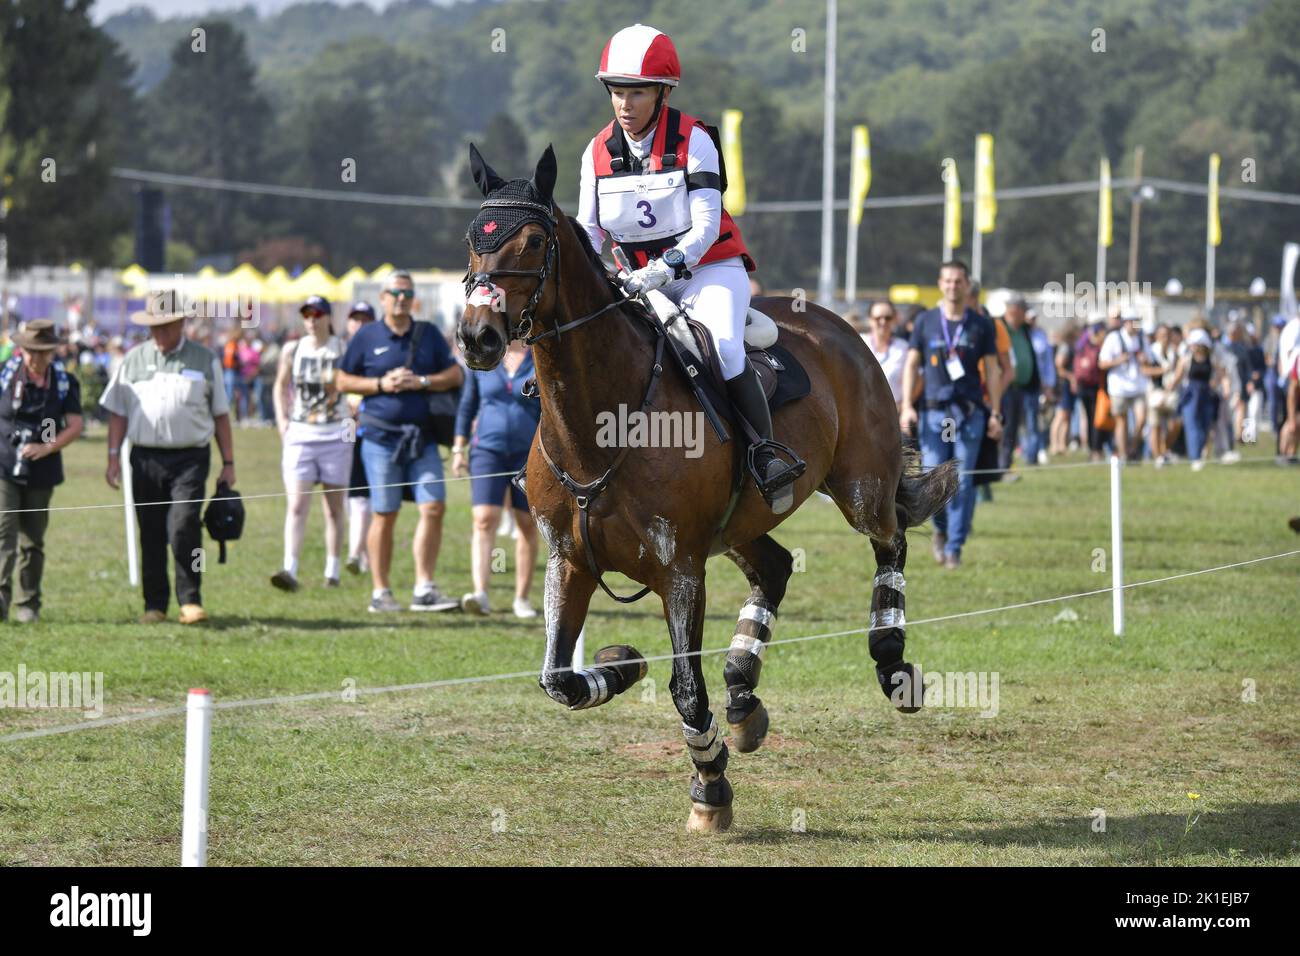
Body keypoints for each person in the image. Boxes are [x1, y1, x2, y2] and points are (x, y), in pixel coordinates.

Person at [576, 23, 802, 514]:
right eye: (617, 92)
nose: (624, 104)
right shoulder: (595, 153)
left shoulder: (694, 140)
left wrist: (659, 271)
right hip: (635, 280)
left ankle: (766, 455)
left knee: (722, 349)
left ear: (661, 92)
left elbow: (702, 231)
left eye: (636, 93)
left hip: (708, 271)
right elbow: (590, 233)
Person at [100, 298, 236, 625]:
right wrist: (112, 455)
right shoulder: (133, 360)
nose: (158, 332)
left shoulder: (205, 360)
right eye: (154, 326)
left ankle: (191, 599)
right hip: (145, 457)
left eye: (165, 325)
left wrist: (228, 462)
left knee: (184, 524)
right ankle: (154, 604)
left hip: (190, 457)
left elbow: (220, 414)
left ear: (181, 325)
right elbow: (118, 412)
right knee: (150, 531)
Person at [334, 271, 464, 613]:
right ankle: (381, 592)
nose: (401, 298)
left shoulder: (429, 334)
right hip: (379, 438)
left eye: (407, 293)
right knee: (384, 513)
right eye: (395, 293)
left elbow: (455, 375)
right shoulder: (366, 336)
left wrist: (420, 381)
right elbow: (342, 379)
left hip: (422, 439)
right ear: (383, 298)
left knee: (434, 506)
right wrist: (381, 385)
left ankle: (425, 589)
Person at [899, 261, 1004, 570]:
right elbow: (911, 364)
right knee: (934, 479)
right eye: (947, 281)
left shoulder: (981, 325)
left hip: (969, 413)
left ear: (967, 285)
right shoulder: (926, 322)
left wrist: (995, 411)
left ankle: (955, 548)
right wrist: (907, 404)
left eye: (958, 281)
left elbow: (994, 370)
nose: (953, 286)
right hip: (934, 413)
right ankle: (941, 532)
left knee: (963, 481)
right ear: (940, 283)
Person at [0, 321, 85, 623]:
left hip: (43, 468)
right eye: (31, 351)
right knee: (4, 533)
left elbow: (75, 425)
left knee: (32, 539)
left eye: (42, 352)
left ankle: (29, 603)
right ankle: (0, 599)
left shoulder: (63, 382)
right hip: (5, 464)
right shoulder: (6, 375)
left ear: (52, 351)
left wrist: (47, 447)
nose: (35, 358)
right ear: (22, 348)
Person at [451, 338, 541, 618]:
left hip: (529, 455)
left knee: (526, 523)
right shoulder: (483, 359)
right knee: (484, 519)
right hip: (486, 450)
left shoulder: (538, 357)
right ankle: (480, 593)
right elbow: (467, 406)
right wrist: (458, 448)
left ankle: (522, 598)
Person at [270, 295, 351, 592]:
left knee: (333, 508)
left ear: (328, 317)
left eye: (317, 314)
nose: (311, 320)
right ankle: (289, 567)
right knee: (296, 505)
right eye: (306, 314)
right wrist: (281, 420)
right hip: (301, 433)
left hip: (335, 433)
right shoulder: (292, 349)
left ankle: (333, 568)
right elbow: (280, 385)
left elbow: (355, 385)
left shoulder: (342, 348)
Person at [1098, 309, 1159, 461]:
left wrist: (1144, 359)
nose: (1136, 325)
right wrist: (1119, 360)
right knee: (1121, 421)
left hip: (1138, 386)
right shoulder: (1113, 338)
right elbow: (1102, 363)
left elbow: (1149, 361)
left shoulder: (1141, 338)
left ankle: (1133, 446)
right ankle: (1124, 454)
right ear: (1126, 323)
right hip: (1119, 387)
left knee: (1141, 418)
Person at [343, 302, 376, 575]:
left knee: (362, 490)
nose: (360, 324)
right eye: (355, 319)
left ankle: (357, 551)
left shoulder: (375, 352)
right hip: (340, 429)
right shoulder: (339, 350)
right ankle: (360, 548)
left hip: (366, 429)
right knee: (344, 491)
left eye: (366, 319)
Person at [1169, 328, 1225, 471]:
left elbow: (1221, 373)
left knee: (1205, 425)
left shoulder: (1212, 359)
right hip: (1191, 395)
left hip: (1206, 394)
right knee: (1192, 424)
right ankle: (1195, 457)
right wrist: (1170, 388)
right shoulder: (1186, 359)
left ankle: (1199, 453)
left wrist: (1217, 383)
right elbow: (1178, 376)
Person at [862, 300, 909, 408]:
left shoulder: (903, 347)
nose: (883, 322)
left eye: (888, 318)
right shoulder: (859, 342)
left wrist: (904, 405)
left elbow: (918, 378)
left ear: (894, 320)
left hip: (894, 412)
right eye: (877, 318)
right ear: (870, 320)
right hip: (862, 411)